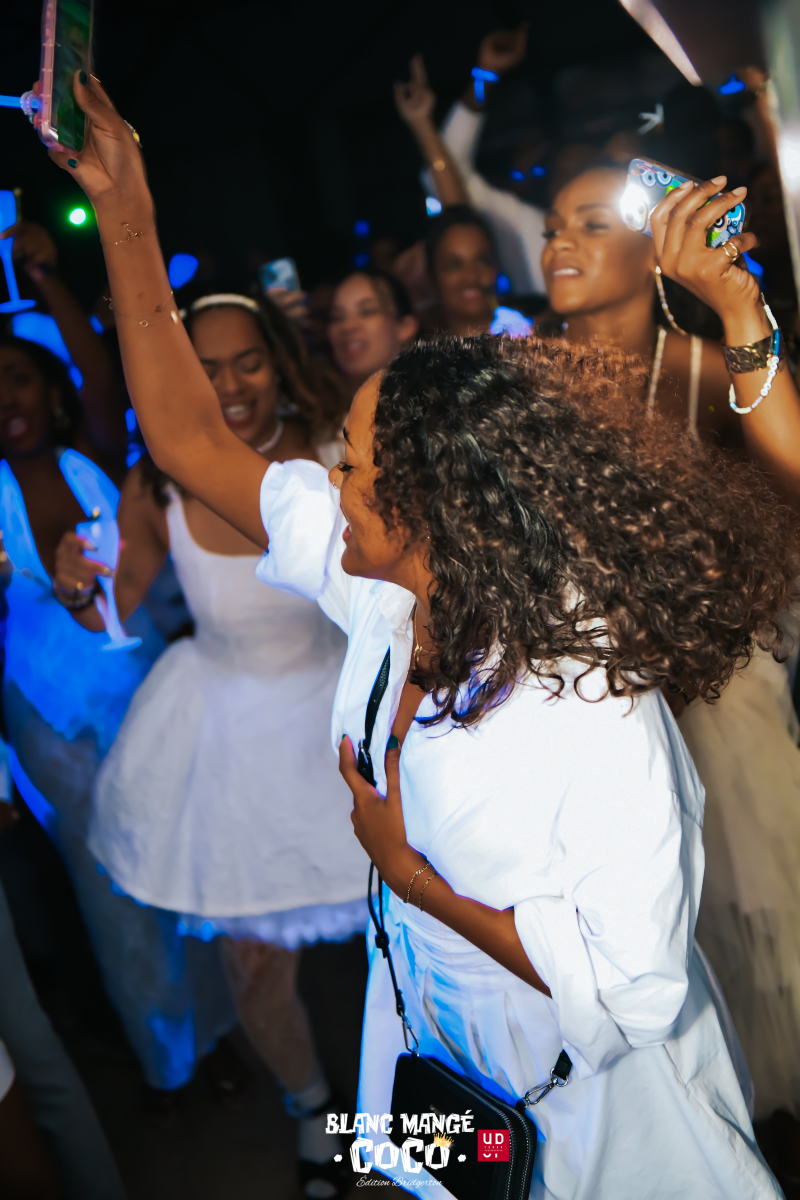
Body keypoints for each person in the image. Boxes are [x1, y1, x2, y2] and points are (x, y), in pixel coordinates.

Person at [53, 73, 800, 1197]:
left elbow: (635, 990)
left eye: (352, 467)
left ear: (434, 508)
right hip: (430, 1071)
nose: (327, 484)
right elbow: (192, 445)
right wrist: (126, 210)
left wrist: (407, 873)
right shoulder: (387, 594)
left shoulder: (583, 694)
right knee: (417, 1178)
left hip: (588, 1121)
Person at [52, 283, 367, 1199]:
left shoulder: (337, 455)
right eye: (208, 367)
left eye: (248, 362)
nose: (230, 385)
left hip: (345, 720)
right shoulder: (157, 483)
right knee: (254, 968)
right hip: (229, 738)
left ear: (279, 362)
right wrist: (77, 589)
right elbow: (112, 612)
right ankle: (316, 1114)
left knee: (415, 940)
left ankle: (448, 1122)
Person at [0, 332, 236, 1106]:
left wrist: (47, 277)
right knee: (113, 897)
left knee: (193, 861)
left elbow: (105, 381)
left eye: (18, 378)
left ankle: (225, 1029)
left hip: (150, 693)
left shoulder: (93, 458)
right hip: (53, 726)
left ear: (52, 390)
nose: (6, 398)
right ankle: (170, 1064)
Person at [328, 268, 418, 398]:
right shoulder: (316, 406)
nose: (347, 326)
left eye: (367, 312)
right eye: (337, 317)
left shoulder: (435, 402)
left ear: (405, 327)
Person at [424, 205, 499, 336]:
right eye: (454, 265)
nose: (471, 276)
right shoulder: (422, 348)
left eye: (482, 262)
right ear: (432, 276)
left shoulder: (530, 336)